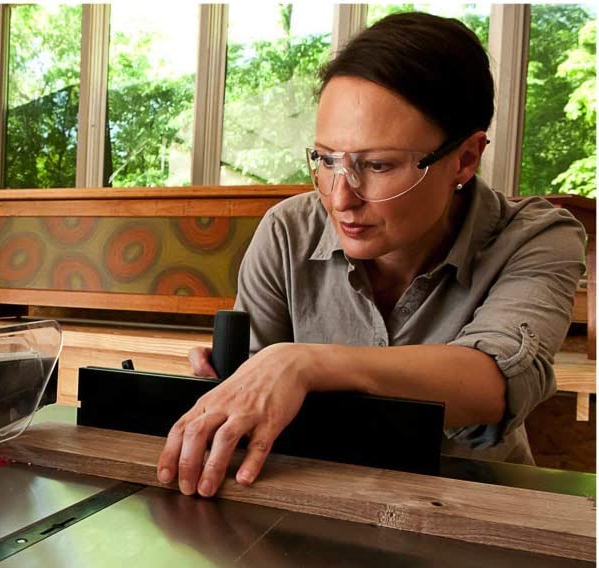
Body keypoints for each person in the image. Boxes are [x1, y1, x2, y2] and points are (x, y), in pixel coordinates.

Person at [156, 11, 587, 498]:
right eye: (326, 160)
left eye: (378, 165)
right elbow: (255, 400)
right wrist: (235, 385)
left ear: (465, 158)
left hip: (473, 511)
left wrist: (302, 364)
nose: (341, 198)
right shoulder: (286, 232)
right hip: (311, 503)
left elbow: (492, 383)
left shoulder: (538, 239)